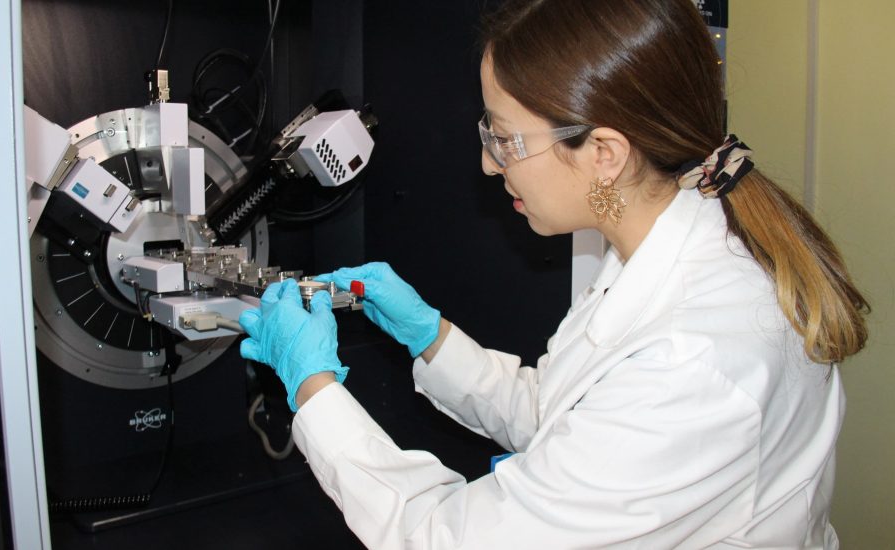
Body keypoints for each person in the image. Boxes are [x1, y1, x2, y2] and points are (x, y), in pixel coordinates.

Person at [237, 0, 870, 547]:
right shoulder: (656, 249)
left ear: (604, 154)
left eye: (506, 140)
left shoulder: (695, 360)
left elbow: (444, 539)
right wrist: (431, 337)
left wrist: (313, 386)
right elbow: (567, 419)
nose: (489, 164)